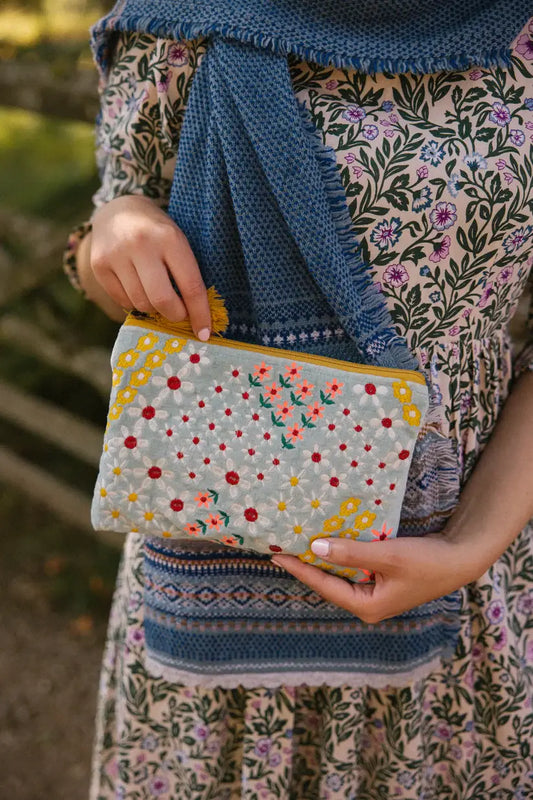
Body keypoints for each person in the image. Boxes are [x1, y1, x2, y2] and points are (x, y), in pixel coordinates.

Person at [64, 5, 533, 798]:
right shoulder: (186, 20)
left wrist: (468, 547)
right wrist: (115, 229)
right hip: (209, 590)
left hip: (467, 591)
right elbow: (112, 249)